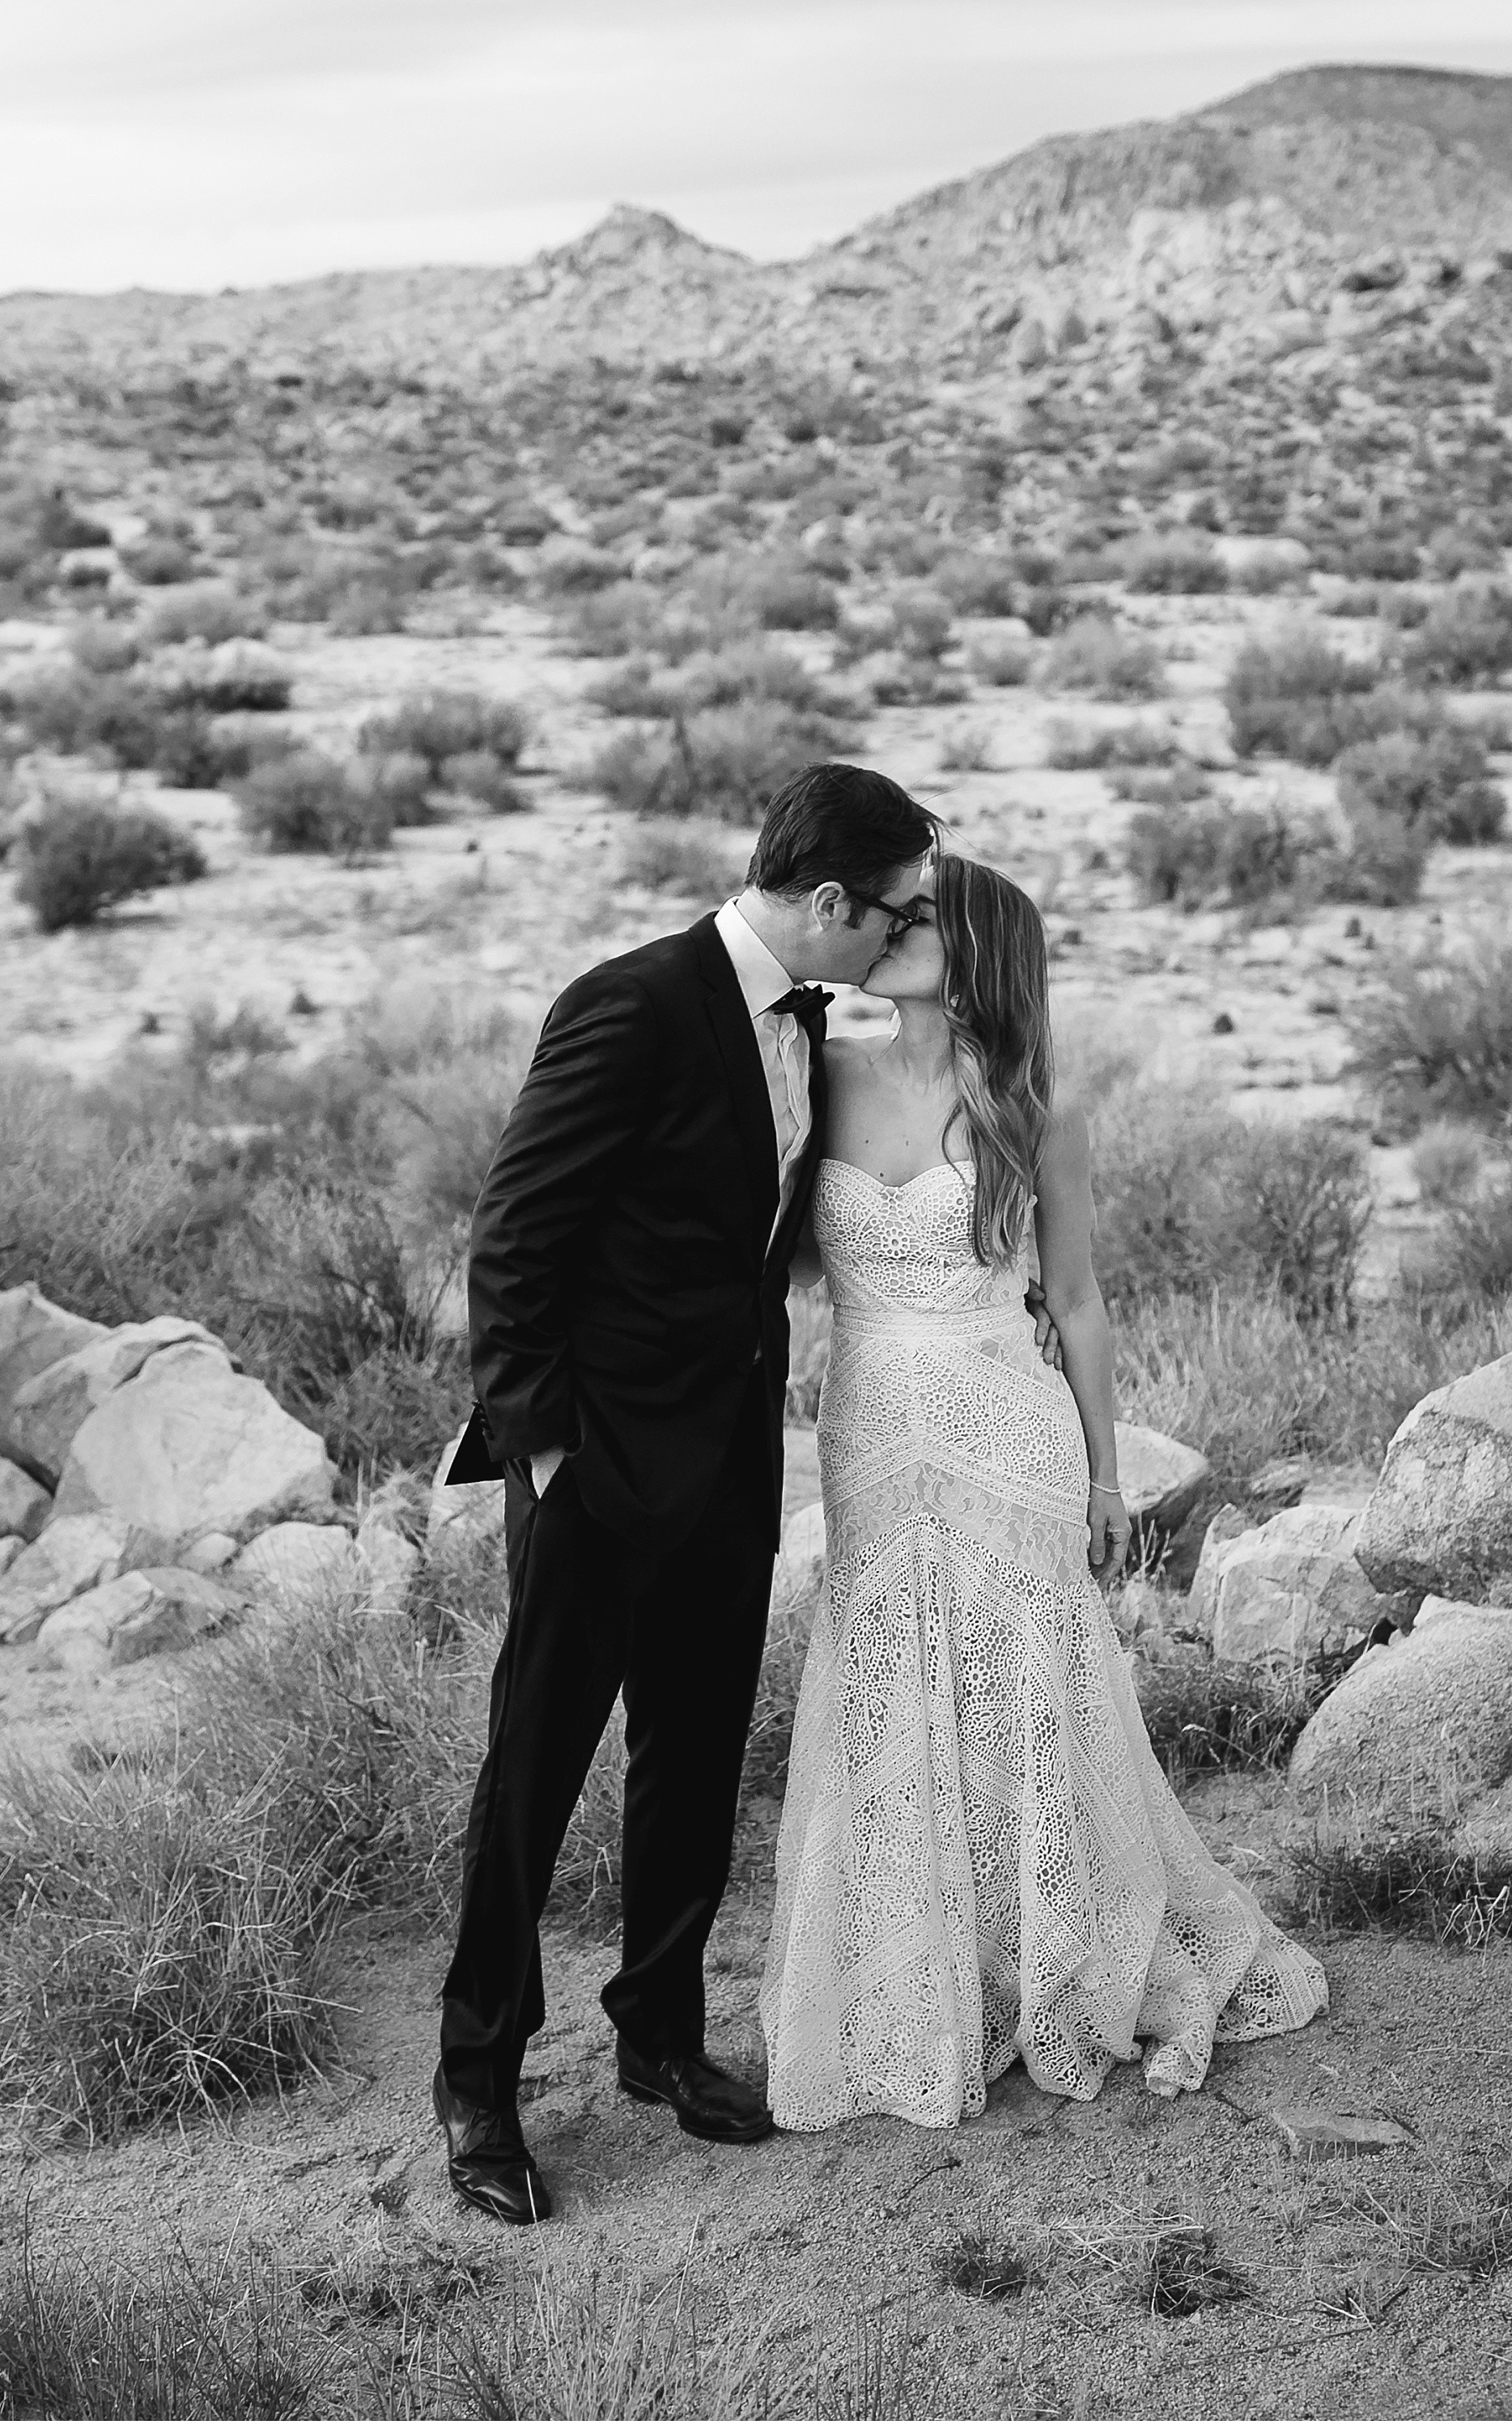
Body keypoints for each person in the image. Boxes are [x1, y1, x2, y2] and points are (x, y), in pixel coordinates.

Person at [433, 761, 937, 2223]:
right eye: (894, 908)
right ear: (829, 901)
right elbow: (516, 1232)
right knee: (530, 1783)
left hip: (728, 1467)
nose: (906, 931)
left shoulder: (815, 1025)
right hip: (590, 1470)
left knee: (695, 1763)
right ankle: (478, 2082)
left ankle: (658, 2035)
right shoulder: (632, 1001)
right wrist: (538, 1447)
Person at [759, 854, 1327, 2130]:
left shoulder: (1035, 1111)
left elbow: (1075, 1300)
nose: (896, 933)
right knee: (892, 1681)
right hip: (871, 1428)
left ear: (978, 955)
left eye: (922, 921)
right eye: (895, 916)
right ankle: (917, 1971)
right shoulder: (822, 1076)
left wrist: (1110, 1474)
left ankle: (1050, 1961)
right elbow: (778, 1262)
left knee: (1023, 1691)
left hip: (1006, 1428)